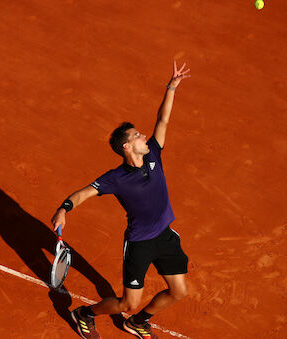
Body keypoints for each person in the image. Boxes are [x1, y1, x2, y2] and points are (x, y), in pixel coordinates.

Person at [51, 61, 191, 339]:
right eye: (137, 135)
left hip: (164, 237)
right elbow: (84, 193)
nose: (144, 136)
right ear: (127, 147)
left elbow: (162, 120)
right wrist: (64, 208)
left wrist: (171, 87)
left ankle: (138, 322)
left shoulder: (153, 154)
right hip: (139, 244)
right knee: (127, 302)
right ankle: (84, 314)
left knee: (179, 291)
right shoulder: (116, 178)